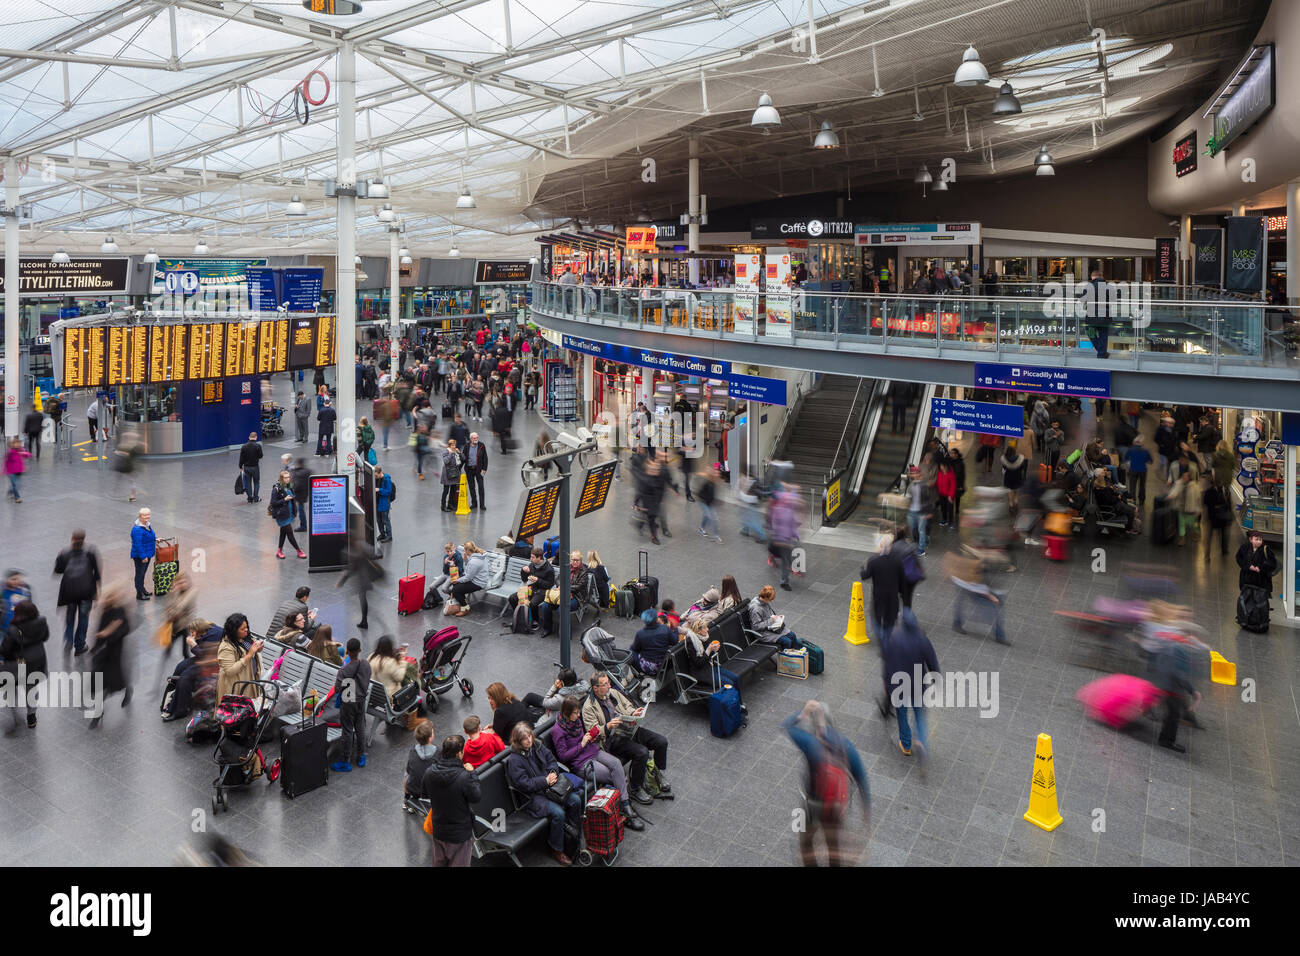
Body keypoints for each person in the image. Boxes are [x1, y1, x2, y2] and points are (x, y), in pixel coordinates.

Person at [783, 701, 869, 866]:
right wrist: (866, 810)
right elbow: (861, 778)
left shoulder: (810, 742)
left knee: (806, 842)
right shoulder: (846, 745)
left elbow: (787, 727)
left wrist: (802, 713)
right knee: (833, 845)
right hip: (836, 805)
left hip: (812, 803)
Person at [551, 697, 644, 830]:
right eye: (575, 713)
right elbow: (563, 756)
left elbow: (584, 737)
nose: (578, 715)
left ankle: (623, 805)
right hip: (581, 762)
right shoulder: (558, 731)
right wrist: (581, 744)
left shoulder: (576, 722)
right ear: (566, 713)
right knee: (616, 777)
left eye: (578, 712)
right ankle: (625, 808)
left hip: (592, 751)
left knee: (616, 764)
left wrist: (590, 737)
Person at [582, 670, 671, 806]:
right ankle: (635, 788)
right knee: (641, 752)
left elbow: (627, 705)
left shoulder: (612, 693)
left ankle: (655, 775)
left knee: (661, 742)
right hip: (613, 740)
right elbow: (592, 732)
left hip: (629, 730)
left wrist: (633, 712)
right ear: (595, 688)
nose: (609, 686)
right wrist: (607, 726)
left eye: (608, 683)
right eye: (605, 684)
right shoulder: (588, 707)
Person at [506, 722, 583, 866]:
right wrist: (545, 781)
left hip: (550, 787)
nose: (529, 740)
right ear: (517, 741)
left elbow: (552, 761)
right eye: (524, 738)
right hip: (533, 797)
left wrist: (553, 773)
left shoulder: (538, 746)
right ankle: (557, 849)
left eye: (529, 735)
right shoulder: (514, 760)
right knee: (558, 813)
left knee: (576, 800)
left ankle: (574, 836)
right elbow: (523, 784)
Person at [884, 609, 940, 762]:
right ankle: (921, 741)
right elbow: (932, 662)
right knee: (919, 715)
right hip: (918, 686)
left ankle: (906, 745)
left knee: (902, 714)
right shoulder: (922, 639)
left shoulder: (894, 638)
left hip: (899, 686)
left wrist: (887, 684)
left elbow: (888, 664)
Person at [422, 734, 482, 867]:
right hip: (460, 833)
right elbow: (476, 796)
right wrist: (472, 774)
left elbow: (425, 793)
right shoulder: (465, 777)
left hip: (439, 829)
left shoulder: (429, 773)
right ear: (460, 754)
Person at [88, 585, 133, 729]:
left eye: (110, 597)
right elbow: (99, 629)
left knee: (110, 681)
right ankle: (125, 689)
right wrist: (95, 646)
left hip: (114, 652)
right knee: (99, 679)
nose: (107, 600)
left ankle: (98, 711)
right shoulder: (105, 610)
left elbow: (125, 629)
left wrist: (110, 635)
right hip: (103, 652)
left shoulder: (120, 612)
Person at [1, 601, 49, 729]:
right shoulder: (42, 621)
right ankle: (31, 716)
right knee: (31, 688)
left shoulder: (14, 630)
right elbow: (45, 637)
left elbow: (5, 650)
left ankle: (11, 701)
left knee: (13, 682)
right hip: (38, 659)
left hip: (20, 663)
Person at [53, 529, 100, 655]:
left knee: (70, 617)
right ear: (84, 539)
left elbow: (57, 571)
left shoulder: (64, 553)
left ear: (72, 538)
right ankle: (80, 645)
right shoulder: (91, 551)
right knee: (84, 618)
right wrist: (97, 590)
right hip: (86, 592)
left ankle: (68, 639)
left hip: (70, 592)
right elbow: (97, 573)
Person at [331, 638, 372, 772]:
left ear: (347, 652)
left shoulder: (344, 670)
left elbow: (337, 689)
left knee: (347, 730)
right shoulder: (366, 664)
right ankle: (361, 756)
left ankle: (345, 761)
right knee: (360, 727)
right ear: (359, 650)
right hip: (361, 700)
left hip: (348, 702)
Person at [337, 519, 384, 629]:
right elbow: (375, 552)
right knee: (363, 597)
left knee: (362, 598)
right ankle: (364, 619)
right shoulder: (361, 545)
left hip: (362, 578)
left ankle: (364, 620)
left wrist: (342, 581)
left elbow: (351, 569)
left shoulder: (348, 552)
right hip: (368, 575)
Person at [1235, 531, 1278, 628]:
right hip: (1246, 580)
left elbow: (1272, 563)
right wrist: (1248, 566)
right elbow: (1238, 558)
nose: (1259, 542)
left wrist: (1261, 568)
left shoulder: (1266, 550)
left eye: (1260, 540)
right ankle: (1246, 618)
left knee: (1260, 601)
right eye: (1256, 539)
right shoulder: (1244, 548)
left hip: (1261, 582)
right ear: (1251, 540)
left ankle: (1260, 621)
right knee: (1247, 599)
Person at [506, 547, 555, 626]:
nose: (530, 559)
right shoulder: (532, 565)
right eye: (530, 557)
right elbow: (525, 580)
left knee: (532, 603)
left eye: (533, 557)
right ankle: (520, 615)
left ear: (539, 558)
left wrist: (538, 580)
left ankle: (535, 620)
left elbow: (549, 585)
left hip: (542, 591)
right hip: (531, 588)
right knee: (512, 598)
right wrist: (523, 571)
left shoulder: (549, 569)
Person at [629, 607, 679, 676]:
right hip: (664, 664)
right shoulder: (665, 629)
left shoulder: (640, 634)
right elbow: (675, 641)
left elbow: (634, 649)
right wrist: (675, 628)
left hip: (650, 668)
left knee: (630, 652)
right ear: (656, 618)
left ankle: (636, 675)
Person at [268, 470, 306, 560]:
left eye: (288, 477)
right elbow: (273, 503)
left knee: (283, 532)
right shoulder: (276, 489)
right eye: (285, 477)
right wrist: (284, 499)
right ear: (281, 478)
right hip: (282, 515)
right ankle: (299, 551)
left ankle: (279, 551)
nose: (288, 479)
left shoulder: (289, 486)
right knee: (289, 533)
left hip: (289, 513)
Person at [403, 719, 437, 812]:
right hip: (431, 792)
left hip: (413, 789)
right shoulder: (437, 752)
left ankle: (406, 800)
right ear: (430, 738)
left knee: (406, 774)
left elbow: (409, 770)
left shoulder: (413, 750)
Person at [368, 635, 413, 704]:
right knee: (410, 683)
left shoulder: (371, 657)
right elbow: (399, 678)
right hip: (389, 697)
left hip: (373, 695)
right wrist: (403, 660)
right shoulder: (390, 662)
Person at [448, 542, 489, 615]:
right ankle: (463, 601)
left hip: (478, 583)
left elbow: (468, 577)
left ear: (467, 550)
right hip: (478, 579)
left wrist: (457, 580)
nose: (464, 552)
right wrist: (466, 560)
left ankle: (465, 609)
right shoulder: (479, 555)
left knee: (455, 590)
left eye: (464, 550)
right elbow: (469, 571)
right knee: (456, 586)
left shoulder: (474, 561)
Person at [1083, 267, 1112, 358]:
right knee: (1103, 334)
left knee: (1090, 332)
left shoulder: (1088, 286)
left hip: (1092, 316)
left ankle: (1101, 351)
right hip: (1105, 315)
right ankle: (1101, 353)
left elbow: (1083, 299)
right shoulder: (1109, 286)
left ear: (1092, 277)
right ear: (1101, 276)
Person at [1202, 480, 1233, 560]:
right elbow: (1206, 503)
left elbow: (1229, 504)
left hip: (1220, 517)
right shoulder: (1221, 492)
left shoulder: (1225, 491)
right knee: (1211, 537)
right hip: (1214, 517)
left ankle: (1222, 550)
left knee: (1217, 536)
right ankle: (1208, 554)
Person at [130, 508, 156, 601]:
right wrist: (143, 556)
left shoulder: (147, 525)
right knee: (139, 575)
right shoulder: (137, 529)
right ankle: (139, 594)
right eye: (145, 515)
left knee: (143, 574)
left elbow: (147, 537)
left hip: (147, 553)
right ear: (140, 516)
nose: (147, 517)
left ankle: (142, 590)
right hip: (141, 556)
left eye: (148, 514)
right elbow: (138, 544)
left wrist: (155, 540)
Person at [462, 432, 488, 511]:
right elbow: (464, 457)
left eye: (477, 438)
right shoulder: (466, 446)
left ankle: (482, 504)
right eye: (474, 438)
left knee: (481, 487)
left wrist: (484, 469)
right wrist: (459, 467)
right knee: (471, 487)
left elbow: (485, 458)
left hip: (478, 470)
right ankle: (474, 503)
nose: (476, 439)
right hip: (469, 469)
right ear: (471, 439)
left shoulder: (481, 445)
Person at [1124, 435, 1152, 506]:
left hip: (1133, 470)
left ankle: (1133, 500)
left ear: (1134, 442)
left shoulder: (1130, 450)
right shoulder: (1146, 451)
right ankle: (1141, 501)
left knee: (1132, 486)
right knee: (1142, 486)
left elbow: (1126, 458)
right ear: (1142, 443)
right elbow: (1150, 461)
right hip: (1143, 470)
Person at [1000, 440, 1027, 512]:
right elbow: (1022, 468)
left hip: (1008, 477)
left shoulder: (1004, 459)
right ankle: (1016, 502)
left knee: (1009, 490)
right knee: (1016, 490)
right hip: (1017, 476)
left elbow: (1004, 468)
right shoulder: (1020, 458)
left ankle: (1010, 504)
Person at [696, 466, 722, 542]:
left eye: (719, 474)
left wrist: (715, 501)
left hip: (710, 503)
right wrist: (707, 499)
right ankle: (705, 530)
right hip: (703, 502)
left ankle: (715, 535)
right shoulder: (707, 483)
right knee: (708, 516)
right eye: (717, 473)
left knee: (713, 518)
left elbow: (713, 494)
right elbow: (700, 493)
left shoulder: (715, 483)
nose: (718, 475)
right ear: (713, 475)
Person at [4, 437, 31, 503]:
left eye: (19, 443)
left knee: (17, 485)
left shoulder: (20, 450)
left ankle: (10, 492)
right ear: (13, 445)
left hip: (19, 471)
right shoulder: (10, 452)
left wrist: (27, 454)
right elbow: (6, 462)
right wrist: (4, 470)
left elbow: (26, 455)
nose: (18, 445)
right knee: (15, 485)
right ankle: (17, 498)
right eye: (16, 443)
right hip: (11, 472)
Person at [238, 432, 263, 503]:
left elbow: (241, 458)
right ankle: (256, 498)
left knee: (248, 483)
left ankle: (250, 498)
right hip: (255, 467)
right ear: (256, 437)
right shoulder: (258, 446)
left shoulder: (244, 446)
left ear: (249, 437)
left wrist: (240, 466)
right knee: (256, 482)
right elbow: (261, 456)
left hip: (246, 467)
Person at [439, 438, 462, 512]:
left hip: (454, 474)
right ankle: (443, 506)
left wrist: (459, 453)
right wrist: (451, 453)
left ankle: (450, 505)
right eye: (452, 445)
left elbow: (463, 459)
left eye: (455, 445)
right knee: (446, 491)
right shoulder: (446, 452)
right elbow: (446, 461)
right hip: (447, 474)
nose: (454, 446)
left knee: (453, 490)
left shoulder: (456, 451)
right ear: (449, 445)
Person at [374, 466, 393, 542]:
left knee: (385, 520)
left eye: (376, 475)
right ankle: (382, 534)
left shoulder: (386, 479)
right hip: (378, 503)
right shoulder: (377, 479)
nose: (375, 477)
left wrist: (379, 489)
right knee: (379, 520)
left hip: (384, 503)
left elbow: (389, 491)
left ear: (380, 473)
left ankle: (389, 536)